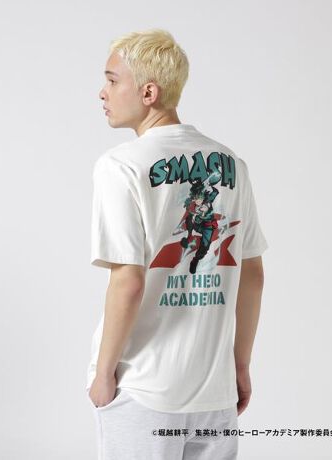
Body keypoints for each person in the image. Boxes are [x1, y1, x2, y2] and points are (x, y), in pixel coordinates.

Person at [85, 28, 268, 460]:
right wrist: (239, 365)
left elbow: (128, 282)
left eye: (112, 80)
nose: (102, 92)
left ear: (148, 92)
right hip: (215, 393)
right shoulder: (232, 164)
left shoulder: (121, 166)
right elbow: (252, 275)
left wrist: (104, 373)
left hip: (145, 390)